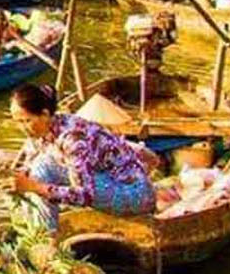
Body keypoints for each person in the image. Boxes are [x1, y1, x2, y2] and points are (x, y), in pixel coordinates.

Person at [11, 85, 156, 222]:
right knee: (37, 170)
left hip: (135, 195)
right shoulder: (41, 133)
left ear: (45, 114)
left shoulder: (73, 139)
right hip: (104, 180)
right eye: (17, 122)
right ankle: (41, 231)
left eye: (26, 121)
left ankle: (47, 239)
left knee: (41, 171)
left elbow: (85, 195)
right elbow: (28, 166)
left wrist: (34, 187)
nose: (22, 127)